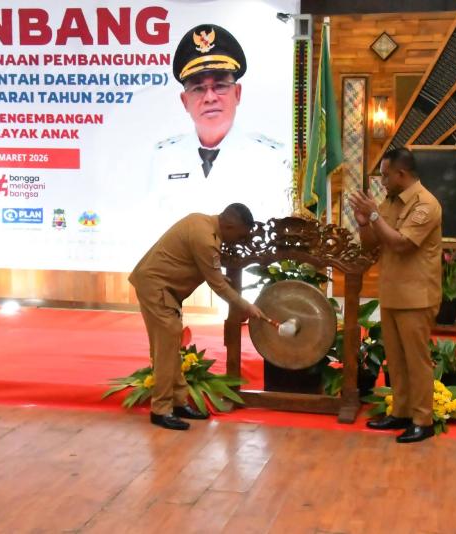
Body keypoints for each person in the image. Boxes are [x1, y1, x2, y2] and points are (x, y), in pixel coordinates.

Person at [129, 203, 265, 431]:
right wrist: (247, 306)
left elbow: (208, 270)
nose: (239, 241)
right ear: (229, 226)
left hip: (162, 288)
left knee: (171, 344)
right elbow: (218, 285)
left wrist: (219, 278)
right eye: (240, 236)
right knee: (166, 348)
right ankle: (161, 409)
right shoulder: (205, 238)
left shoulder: (202, 222)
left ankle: (179, 402)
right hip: (156, 288)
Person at [149, 23, 291, 225]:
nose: (209, 97)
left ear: (238, 93)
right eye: (198, 88)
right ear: (184, 101)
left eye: (220, 86)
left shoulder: (271, 158)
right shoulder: (164, 157)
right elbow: (154, 227)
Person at [348, 148, 443, 443]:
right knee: (397, 361)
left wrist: (375, 215)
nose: (383, 182)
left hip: (416, 297)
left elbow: (402, 244)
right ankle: (400, 413)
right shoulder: (389, 202)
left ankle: (423, 421)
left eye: (386, 176)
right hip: (392, 293)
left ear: (401, 174)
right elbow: (371, 245)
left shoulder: (426, 204)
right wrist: (364, 222)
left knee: (416, 361)